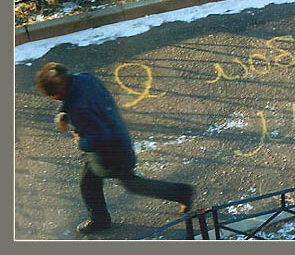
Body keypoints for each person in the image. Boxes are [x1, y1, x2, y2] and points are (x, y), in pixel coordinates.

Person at [35, 62, 194, 234]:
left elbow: (98, 137)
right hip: (116, 133)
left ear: (58, 93)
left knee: (130, 185)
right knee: (89, 183)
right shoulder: (83, 78)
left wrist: (79, 139)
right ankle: (100, 219)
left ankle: (181, 192)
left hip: (110, 152)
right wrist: (66, 113)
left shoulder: (78, 108)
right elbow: (85, 102)